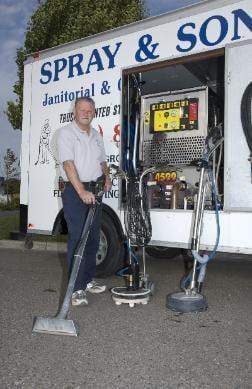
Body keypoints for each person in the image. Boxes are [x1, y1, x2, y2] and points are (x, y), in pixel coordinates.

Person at [57, 97, 112, 306]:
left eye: (90, 110)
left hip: (95, 190)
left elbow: (103, 162)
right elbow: (68, 165)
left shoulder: (96, 135)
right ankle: (76, 288)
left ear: (94, 113)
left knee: (93, 238)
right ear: (74, 111)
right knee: (78, 238)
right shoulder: (66, 134)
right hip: (74, 190)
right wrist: (81, 191)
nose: (86, 113)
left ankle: (87, 280)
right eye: (82, 110)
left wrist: (106, 177)